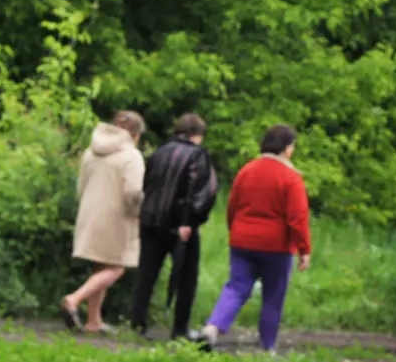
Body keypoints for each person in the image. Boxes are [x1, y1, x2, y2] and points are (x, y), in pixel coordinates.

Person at [198, 124, 311, 353]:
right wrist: (304, 249)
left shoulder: (247, 170)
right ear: (287, 148)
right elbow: (297, 218)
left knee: (237, 287)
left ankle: (213, 327)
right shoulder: (291, 178)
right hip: (276, 246)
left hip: (242, 240)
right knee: (273, 294)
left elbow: (232, 206)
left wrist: (236, 230)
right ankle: (267, 346)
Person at [130, 112, 219, 341]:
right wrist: (191, 222)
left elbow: (146, 184)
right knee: (187, 276)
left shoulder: (159, 152)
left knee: (146, 273)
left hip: (151, 221)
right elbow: (203, 193)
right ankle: (180, 329)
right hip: (181, 226)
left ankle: (137, 323)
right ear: (196, 134)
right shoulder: (198, 156)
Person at [61, 110, 147, 334]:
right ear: (136, 135)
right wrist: (139, 211)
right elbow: (133, 192)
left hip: (89, 212)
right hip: (116, 216)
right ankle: (74, 299)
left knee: (100, 265)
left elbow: (81, 186)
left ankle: (93, 320)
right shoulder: (131, 156)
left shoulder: (91, 151)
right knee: (117, 266)